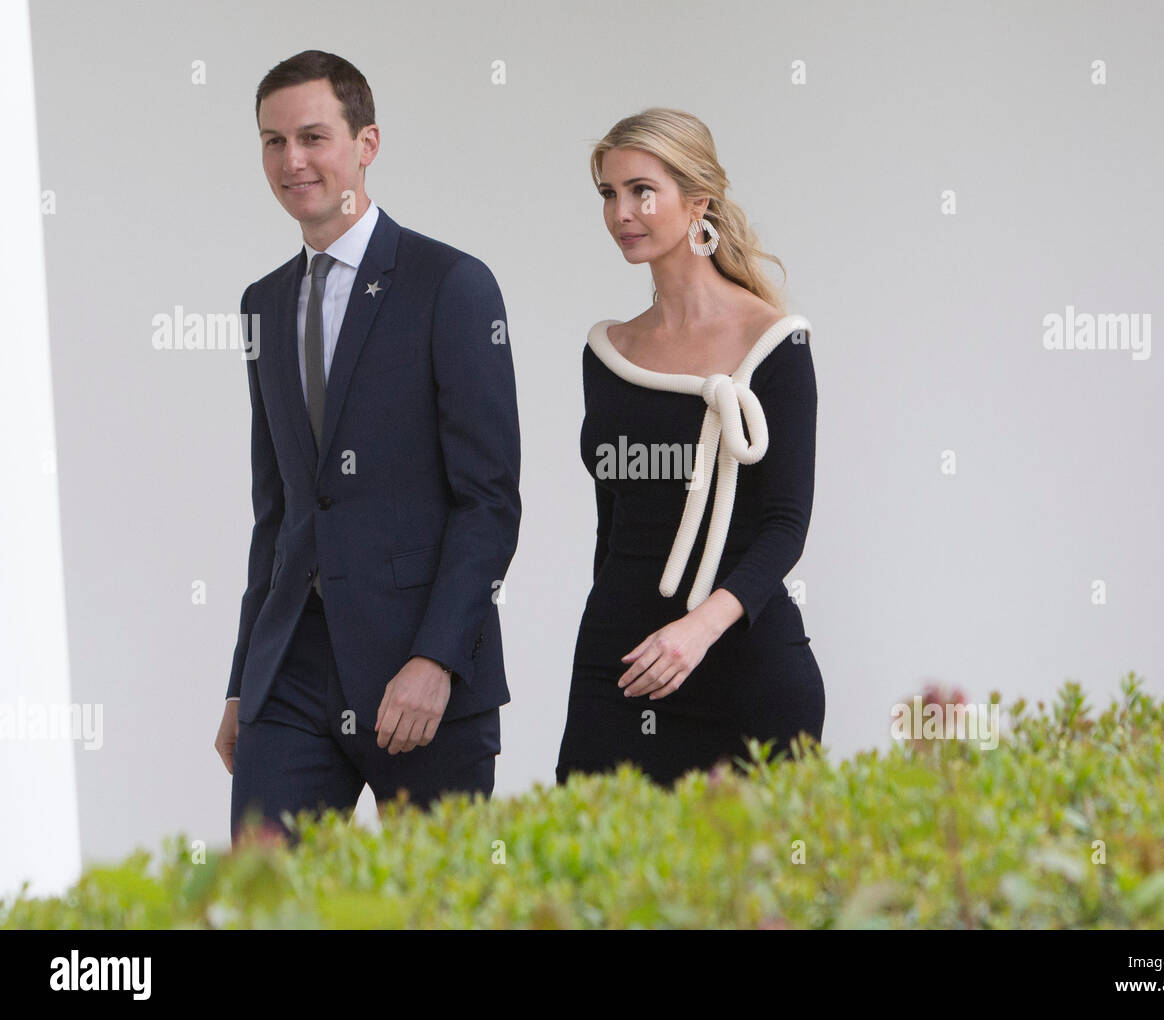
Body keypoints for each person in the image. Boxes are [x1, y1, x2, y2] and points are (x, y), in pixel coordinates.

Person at [215, 50, 521, 843]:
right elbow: (277, 509)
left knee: (439, 911)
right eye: (272, 141)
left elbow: (488, 501)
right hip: (291, 675)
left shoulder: (451, 285)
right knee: (260, 904)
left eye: (313, 136)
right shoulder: (262, 304)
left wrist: (437, 661)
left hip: (421, 669)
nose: (293, 161)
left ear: (366, 144)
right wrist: (244, 681)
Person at [556, 108, 824, 787]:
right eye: (609, 194)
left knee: (757, 893)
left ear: (697, 201)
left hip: (745, 670)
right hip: (626, 666)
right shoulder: (608, 352)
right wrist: (601, 654)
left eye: (641, 190)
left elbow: (786, 525)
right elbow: (610, 529)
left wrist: (697, 630)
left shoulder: (775, 343)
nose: (622, 211)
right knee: (591, 879)